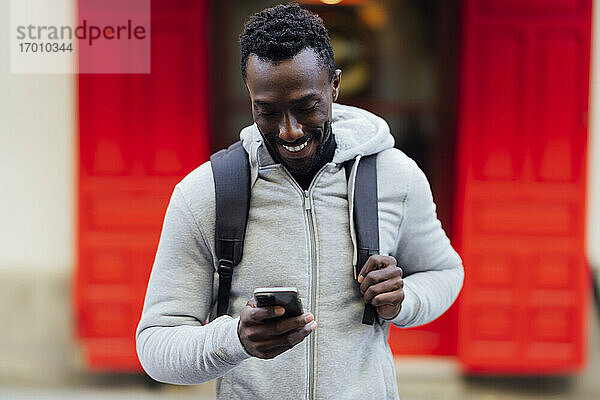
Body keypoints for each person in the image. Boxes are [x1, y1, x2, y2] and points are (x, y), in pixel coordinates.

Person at [136, 4, 463, 399]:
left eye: (307, 107)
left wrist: (404, 301)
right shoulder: (206, 192)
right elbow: (155, 346)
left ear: (335, 86)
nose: (289, 131)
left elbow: (444, 272)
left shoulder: (395, 175)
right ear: (250, 96)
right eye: (268, 112)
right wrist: (233, 341)